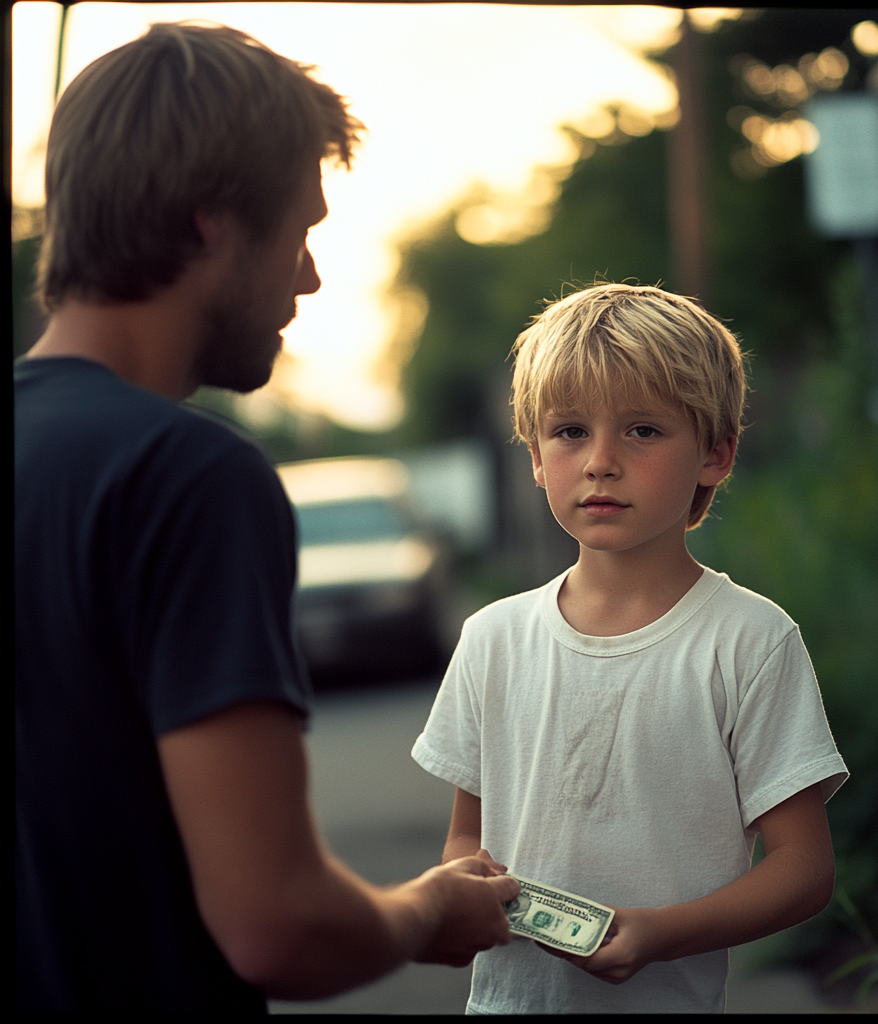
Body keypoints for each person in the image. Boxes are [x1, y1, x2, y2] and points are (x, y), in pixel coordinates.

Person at [15, 22, 517, 1013]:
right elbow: (274, 921)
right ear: (210, 222)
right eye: (301, 229)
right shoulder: (189, 475)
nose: (309, 277)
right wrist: (426, 910)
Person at [411, 282, 849, 1013]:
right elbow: (465, 839)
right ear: (535, 458)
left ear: (715, 455)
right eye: (570, 431)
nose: (601, 461)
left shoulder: (751, 640)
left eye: (643, 430)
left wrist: (660, 933)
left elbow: (804, 868)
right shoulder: (491, 638)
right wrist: (464, 895)